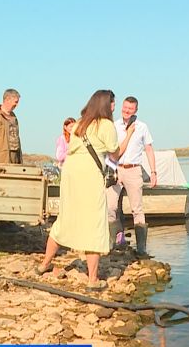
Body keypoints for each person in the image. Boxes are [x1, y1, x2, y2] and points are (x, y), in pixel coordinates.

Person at [38, 90, 135, 291]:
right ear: (105, 105)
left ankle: (44, 264)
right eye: (112, 103)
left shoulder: (80, 123)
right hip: (89, 175)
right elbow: (115, 155)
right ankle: (92, 280)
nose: (114, 107)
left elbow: (72, 149)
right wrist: (129, 135)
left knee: (66, 217)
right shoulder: (106, 125)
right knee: (94, 222)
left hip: (71, 173)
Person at [106, 96, 157, 258]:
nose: (127, 111)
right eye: (125, 107)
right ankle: (115, 242)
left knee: (137, 209)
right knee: (111, 207)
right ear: (122, 107)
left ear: (136, 110)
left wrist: (154, 172)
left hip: (133, 170)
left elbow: (149, 149)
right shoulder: (114, 126)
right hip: (116, 168)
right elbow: (109, 150)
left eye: (130, 109)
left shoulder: (142, 127)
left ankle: (141, 248)